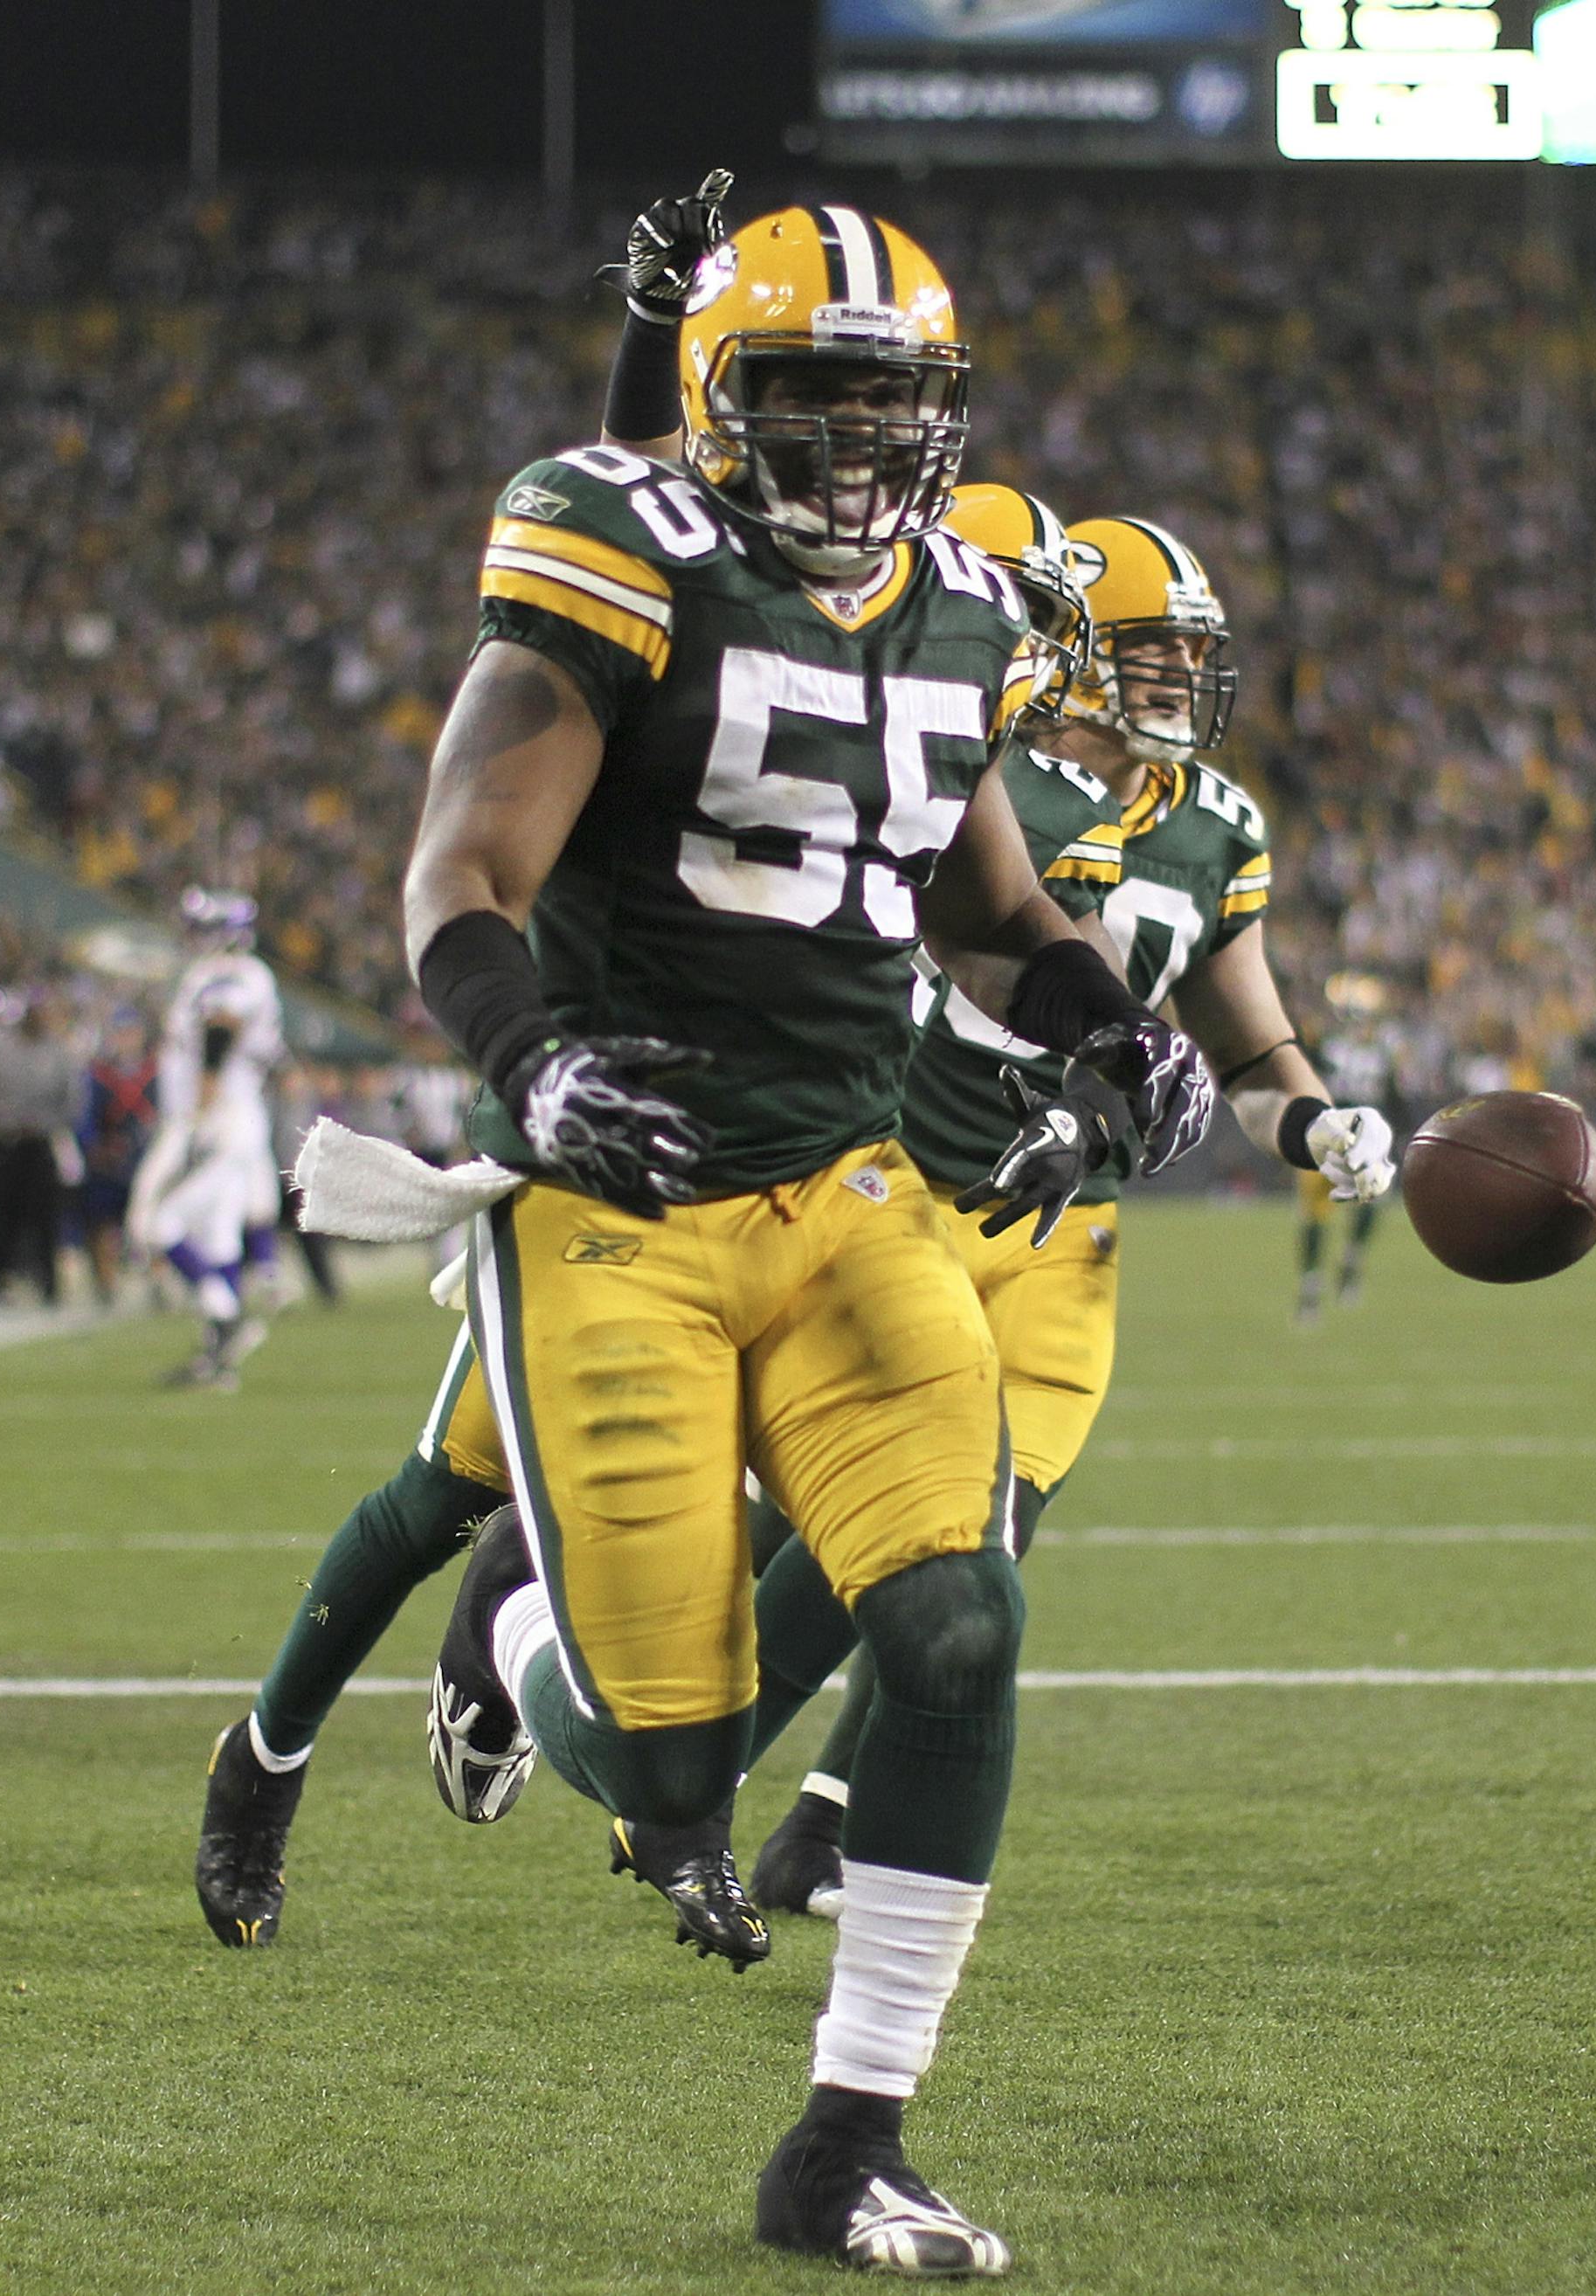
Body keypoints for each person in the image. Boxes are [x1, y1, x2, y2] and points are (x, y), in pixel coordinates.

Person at [214, 189, 1217, 2280]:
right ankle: (509, 1639)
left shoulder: (958, 608)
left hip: (850, 1193)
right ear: (711, 398)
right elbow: (459, 872)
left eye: (895, 406)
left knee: (957, 1622)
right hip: (618, 1202)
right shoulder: (620, 548)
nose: (859, 449)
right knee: (657, 1756)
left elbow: (994, 911)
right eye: (809, 400)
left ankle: (847, 2139)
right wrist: (537, 1061)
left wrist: (1118, 1033)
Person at [747, 513, 1398, 1918]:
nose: (1180, 682)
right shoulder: (992, 784)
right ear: (1072, 648)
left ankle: (816, 1825)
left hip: (1070, 1236)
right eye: (1155, 652)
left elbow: (1246, 1057)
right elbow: (983, 980)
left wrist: (1321, 1124)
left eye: (1193, 657)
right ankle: (663, 1758)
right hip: (915, 1187)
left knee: (986, 1537)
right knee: (790, 1525)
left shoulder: (1218, 825)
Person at [130, 889, 285, 1387]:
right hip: (228, 1120)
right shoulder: (242, 973)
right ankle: (219, 1358)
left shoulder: (235, 973)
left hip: (214, 1120)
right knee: (218, 1236)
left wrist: (202, 1103)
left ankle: (227, 1318)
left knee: (154, 1223)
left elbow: (221, 1024)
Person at [1293, 972, 1402, 1324]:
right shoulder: (1326, 1048)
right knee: (1314, 1216)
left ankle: (1352, 1261)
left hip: (1363, 1144)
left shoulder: (1381, 1054)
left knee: (1370, 1204)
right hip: (1326, 1143)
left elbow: (1391, 1100)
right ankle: (1310, 1289)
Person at [0, 996, 79, 1305]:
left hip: (40, 1142)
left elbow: (71, 1100)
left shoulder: (57, 1053)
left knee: (44, 1214)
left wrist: (49, 1123)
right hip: (5, 1142)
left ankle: (48, 1283)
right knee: (4, 1213)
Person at [77, 1006, 158, 1305]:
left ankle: (156, 1278)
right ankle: (106, 1283)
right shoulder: (99, 1074)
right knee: (103, 1220)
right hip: (110, 1154)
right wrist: (95, 1145)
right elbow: (86, 1116)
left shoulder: (155, 1071)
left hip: (145, 1152)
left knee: (152, 1217)